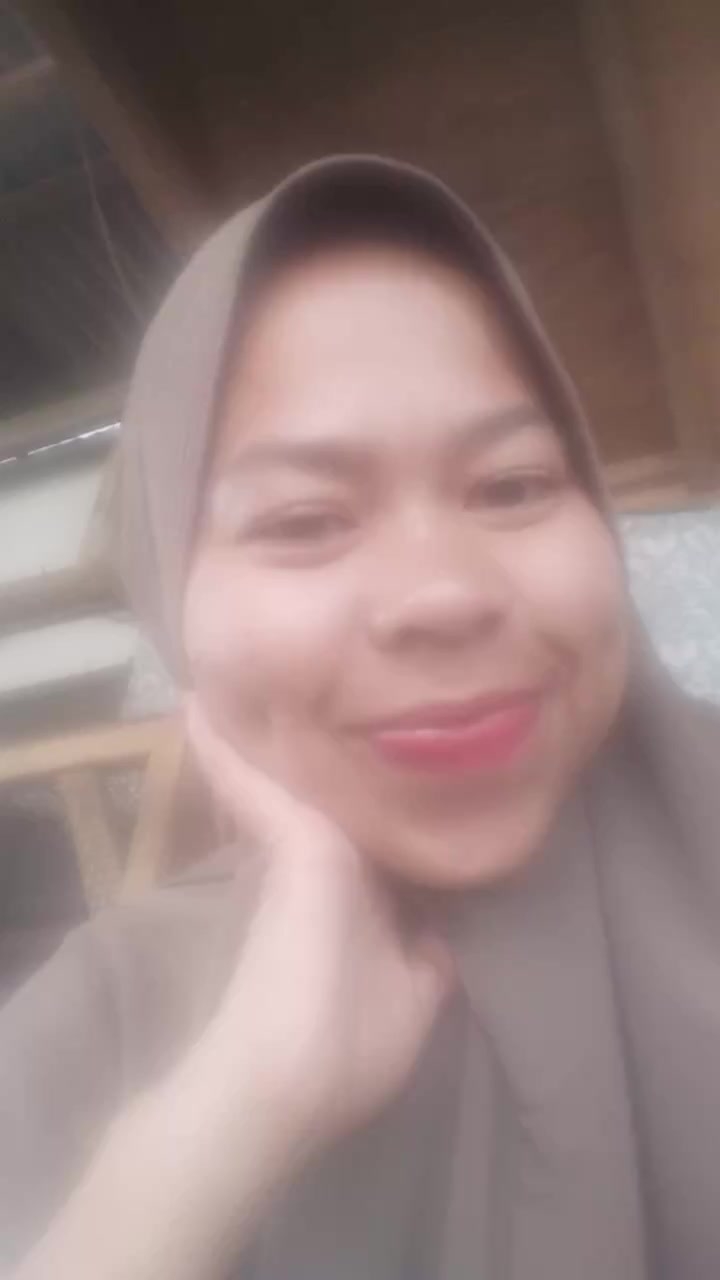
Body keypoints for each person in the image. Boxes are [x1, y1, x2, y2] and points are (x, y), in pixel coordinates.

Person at [2, 155, 720, 1280]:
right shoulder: (105, 1022)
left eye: (514, 485)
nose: (446, 594)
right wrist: (229, 1122)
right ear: (169, 590)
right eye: (304, 518)